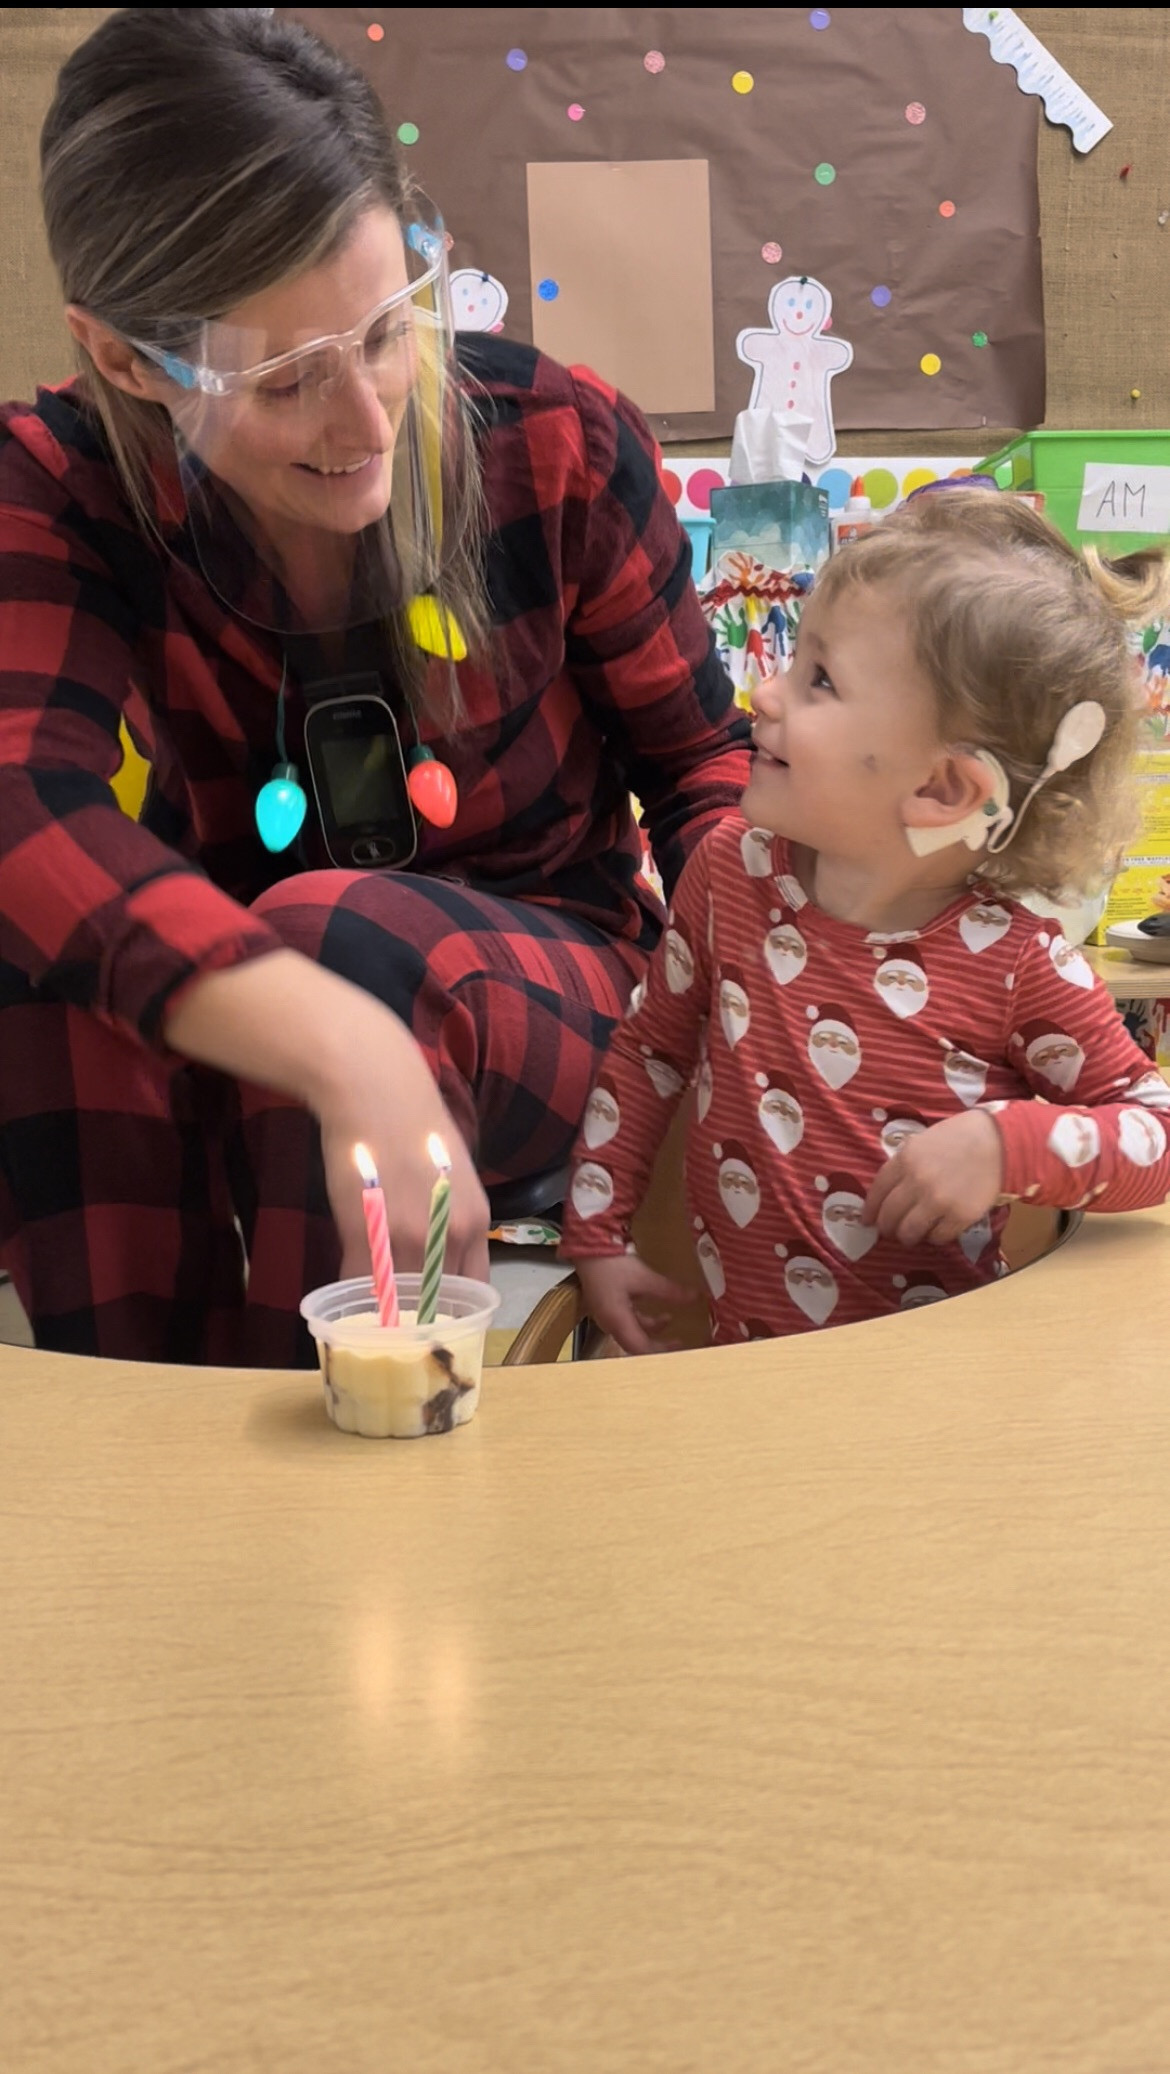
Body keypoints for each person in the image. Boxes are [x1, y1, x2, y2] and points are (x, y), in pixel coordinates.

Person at [0, 8, 749, 1366]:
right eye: (284, 381)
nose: (364, 423)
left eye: (389, 326)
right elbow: (21, 810)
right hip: (232, 996)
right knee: (47, 965)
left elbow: (707, 768)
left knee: (338, 932)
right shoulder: (52, 490)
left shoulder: (553, 444)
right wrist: (337, 1043)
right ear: (121, 359)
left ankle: (335, 1479)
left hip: (546, 980)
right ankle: (144, 1426)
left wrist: (773, 1008)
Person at [560, 491, 1170, 1352]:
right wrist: (597, 1233)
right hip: (744, 1371)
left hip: (931, 1404)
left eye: (820, 678)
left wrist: (1007, 1146)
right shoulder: (728, 875)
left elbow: (1156, 1130)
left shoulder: (1020, 966)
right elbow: (650, 1052)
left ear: (941, 790)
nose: (762, 693)